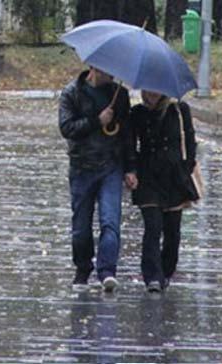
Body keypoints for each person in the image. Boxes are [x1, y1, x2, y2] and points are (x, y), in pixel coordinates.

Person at [59, 66, 135, 292]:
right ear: (93, 67)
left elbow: (126, 134)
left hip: (111, 166)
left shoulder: (119, 95)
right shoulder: (72, 93)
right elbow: (67, 128)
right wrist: (96, 121)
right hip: (82, 167)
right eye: (105, 69)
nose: (110, 73)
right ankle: (83, 268)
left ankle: (107, 271)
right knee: (81, 226)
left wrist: (131, 168)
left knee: (110, 221)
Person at [128, 90, 199, 292]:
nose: (151, 94)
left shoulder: (179, 110)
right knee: (153, 226)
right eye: (147, 90)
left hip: (175, 177)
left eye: (156, 90)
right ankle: (152, 276)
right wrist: (131, 170)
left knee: (172, 231)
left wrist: (187, 166)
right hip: (148, 176)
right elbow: (130, 145)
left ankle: (166, 271)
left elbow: (190, 139)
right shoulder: (137, 113)